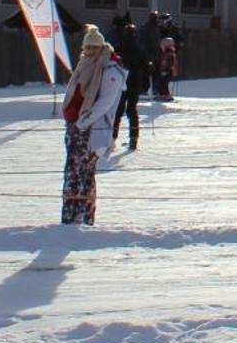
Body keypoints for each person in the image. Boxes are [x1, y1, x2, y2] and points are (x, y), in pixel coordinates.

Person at [60, 25, 125, 225]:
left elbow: (105, 103)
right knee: (72, 171)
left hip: (91, 130)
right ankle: (69, 216)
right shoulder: (85, 64)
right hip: (75, 127)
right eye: (86, 48)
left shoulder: (109, 69)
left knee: (84, 173)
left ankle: (83, 217)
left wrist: (83, 122)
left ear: (101, 47)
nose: (89, 52)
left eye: (93, 48)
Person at [110, 14, 149, 150]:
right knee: (132, 110)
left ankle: (112, 138)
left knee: (118, 110)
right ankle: (134, 138)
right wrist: (145, 84)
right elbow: (146, 68)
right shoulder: (140, 49)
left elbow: (112, 65)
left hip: (121, 83)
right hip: (135, 83)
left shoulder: (119, 47)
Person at [155, 35, 179, 101]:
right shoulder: (165, 53)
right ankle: (162, 94)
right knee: (161, 82)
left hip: (167, 71)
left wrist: (166, 70)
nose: (161, 47)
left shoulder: (169, 53)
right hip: (164, 70)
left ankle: (165, 95)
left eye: (162, 45)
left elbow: (170, 63)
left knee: (163, 83)